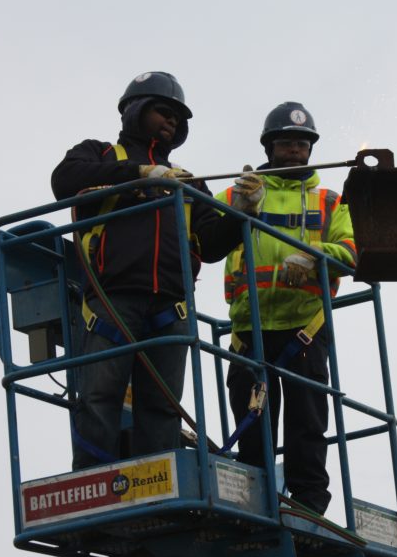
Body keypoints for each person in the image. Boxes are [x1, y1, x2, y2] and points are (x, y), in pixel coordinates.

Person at [51, 71, 244, 470]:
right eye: (163, 110)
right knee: (99, 397)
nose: (172, 120)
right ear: (136, 111)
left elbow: (210, 246)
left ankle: (157, 481)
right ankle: (93, 482)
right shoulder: (100, 155)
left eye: (178, 115)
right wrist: (137, 175)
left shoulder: (189, 184)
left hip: (169, 308)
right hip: (112, 298)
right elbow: (64, 180)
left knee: (161, 406)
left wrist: (241, 213)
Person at [219, 102, 357, 515]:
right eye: (286, 143)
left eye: (302, 143)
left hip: (304, 327)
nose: (295, 151)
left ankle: (309, 507)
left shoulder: (330, 201)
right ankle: (255, 502)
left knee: (308, 424)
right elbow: (202, 229)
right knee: (253, 425)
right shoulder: (240, 191)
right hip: (251, 327)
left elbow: (349, 252)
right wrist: (240, 208)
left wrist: (313, 255)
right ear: (269, 147)